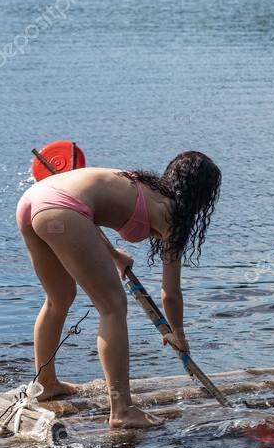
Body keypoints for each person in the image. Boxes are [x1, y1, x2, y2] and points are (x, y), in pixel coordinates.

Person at [15, 151, 221, 428]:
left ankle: (46, 384)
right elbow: (170, 292)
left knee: (58, 298)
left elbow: (85, 212)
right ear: (202, 196)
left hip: (33, 201)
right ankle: (122, 410)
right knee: (112, 307)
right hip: (60, 209)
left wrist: (114, 255)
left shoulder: (140, 184)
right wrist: (178, 334)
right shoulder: (173, 215)